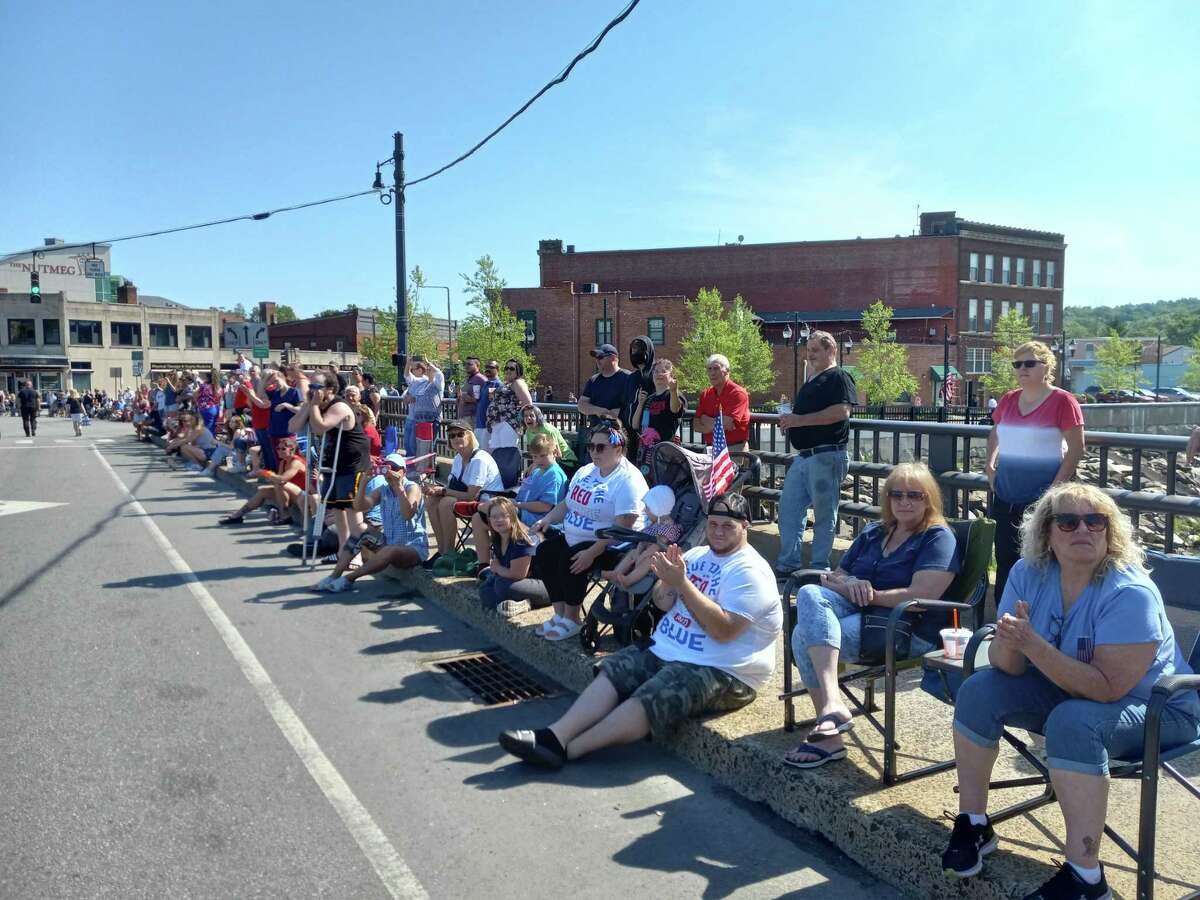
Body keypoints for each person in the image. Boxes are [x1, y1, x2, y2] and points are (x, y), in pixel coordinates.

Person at [941, 482, 1200, 898]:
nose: (1083, 529)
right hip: (1072, 690)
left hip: (1161, 709)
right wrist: (1011, 640)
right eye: (1068, 520)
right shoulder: (1029, 573)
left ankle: (1086, 877)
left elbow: (1106, 689)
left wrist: (1034, 644)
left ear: (1109, 531)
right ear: (1047, 532)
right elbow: (1008, 667)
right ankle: (974, 822)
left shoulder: (1128, 592)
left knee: (1073, 722)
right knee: (979, 689)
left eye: (1095, 521)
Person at [498, 492, 781, 768]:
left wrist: (683, 584)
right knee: (617, 668)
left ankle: (570, 750)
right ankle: (556, 735)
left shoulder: (750, 571)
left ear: (746, 527)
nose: (718, 532)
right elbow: (662, 602)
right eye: (713, 524)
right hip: (671, 647)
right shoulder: (698, 553)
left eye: (727, 526)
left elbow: (723, 631)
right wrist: (669, 582)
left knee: (658, 688)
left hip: (727, 669)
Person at [783, 463, 959, 768]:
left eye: (914, 495)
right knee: (810, 593)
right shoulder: (875, 531)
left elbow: (924, 595)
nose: (904, 501)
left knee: (802, 634)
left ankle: (830, 734)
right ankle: (833, 706)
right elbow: (833, 577)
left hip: (902, 626)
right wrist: (853, 584)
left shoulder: (937, 538)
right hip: (858, 611)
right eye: (897, 494)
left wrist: (872, 595)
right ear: (887, 498)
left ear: (928, 499)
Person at [527, 421, 648, 642]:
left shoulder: (628, 479)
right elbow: (567, 503)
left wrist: (593, 551)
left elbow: (624, 526)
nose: (594, 452)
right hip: (578, 537)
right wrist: (547, 519)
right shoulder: (586, 471)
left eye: (600, 447)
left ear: (618, 449)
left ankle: (573, 619)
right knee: (545, 552)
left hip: (614, 546)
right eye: (591, 446)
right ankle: (560, 614)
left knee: (571, 558)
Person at [984, 340, 1085, 605]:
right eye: (1017, 364)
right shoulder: (1008, 400)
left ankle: (1039, 623)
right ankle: (1002, 622)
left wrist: (1054, 490)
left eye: (1029, 363)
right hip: (1005, 496)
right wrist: (990, 466)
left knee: (1041, 562)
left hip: (1042, 501)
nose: (1022, 369)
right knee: (1005, 559)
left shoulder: (1063, 401)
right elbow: (995, 433)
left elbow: (1076, 449)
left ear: (1046, 366)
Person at [776, 332, 858, 575]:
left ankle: (819, 569)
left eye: (815, 350)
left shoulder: (839, 377)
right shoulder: (813, 378)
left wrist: (798, 420)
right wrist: (791, 419)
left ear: (831, 350)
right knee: (789, 509)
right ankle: (788, 564)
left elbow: (842, 412)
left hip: (827, 454)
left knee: (824, 515)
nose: (810, 354)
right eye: (809, 349)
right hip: (803, 456)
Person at [315, 452, 428, 592]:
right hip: (390, 543)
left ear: (403, 472)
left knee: (389, 550)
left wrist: (399, 489)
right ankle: (334, 575)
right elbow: (359, 506)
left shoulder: (412, 487)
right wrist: (363, 482)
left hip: (413, 548)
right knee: (360, 529)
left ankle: (348, 579)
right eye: (387, 467)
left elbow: (407, 515)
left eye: (395, 468)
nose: (390, 471)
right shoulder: (383, 490)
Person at [291, 372, 371, 550]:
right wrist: (308, 406)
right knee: (337, 510)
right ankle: (344, 551)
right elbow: (293, 426)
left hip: (353, 463)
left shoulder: (339, 406)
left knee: (352, 510)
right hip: (333, 463)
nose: (313, 391)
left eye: (317, 387)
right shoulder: (315, 404)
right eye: (311, 387)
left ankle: (359, 552)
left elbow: (319, 428)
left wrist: (313, 406)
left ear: (330, 389)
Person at [421, 420, 504, 572]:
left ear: (470, 436)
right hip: (471, 499)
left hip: (487, 502)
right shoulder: (459, 458)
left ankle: (449, 553)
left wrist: (443, 491)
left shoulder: (479, 459)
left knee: (446, 502)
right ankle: (442, 550)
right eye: (452, 436)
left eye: (460, 434)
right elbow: (454, 486)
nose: (456, 438)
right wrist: (436, 490)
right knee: (432, 500)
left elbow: (471, 495)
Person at [600, 484, 682, 589]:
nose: (645, 510)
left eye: (648, 508)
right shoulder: (655, 524)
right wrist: (638, 553)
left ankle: (628, 580)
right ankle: (615, 573)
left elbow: (657, 546)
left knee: (650, 560)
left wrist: (641, 557)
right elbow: (642, 539)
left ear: (658, 509)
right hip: (644, 553)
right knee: (633, 552)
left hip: (658, 558)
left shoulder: (670, 528)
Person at [219, 437, 313, 524]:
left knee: (279, 484)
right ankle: (237, 516)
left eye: (283, 449)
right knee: (263, 491)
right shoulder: (283, 462)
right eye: (278, 449)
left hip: (304, 493)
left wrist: (265, 473)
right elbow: (277, 480)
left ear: (292, 450)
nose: (279, 451)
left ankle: (285, 515)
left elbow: (282, 480)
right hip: (290, 492)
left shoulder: (296, 462)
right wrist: (267, 476)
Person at [478, 498, 537, 610]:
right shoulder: (498, 536)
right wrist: (497, 569)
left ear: (512, 516)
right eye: (494, 517)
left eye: (503, 516)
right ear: (489, 520)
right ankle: (515, 603)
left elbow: (518, 574)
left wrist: (497, 568)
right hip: (515, 580)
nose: (498, 520)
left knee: (502, 586)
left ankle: (526, 603)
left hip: (542, 585)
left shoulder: (521, 539)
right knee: (485, 589)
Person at [694, 354, 750, 452]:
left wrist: (706, 420)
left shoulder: (738, 393)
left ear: (727, 371)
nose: (712, 373)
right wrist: (720, 426)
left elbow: (726, 423)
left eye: (716, 368)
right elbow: (696, 425)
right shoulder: (705, 394)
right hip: (710, 449)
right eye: (709, 369)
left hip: (734, 449)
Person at [577, 344, 634, 442]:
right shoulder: (593, 380)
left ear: (613, 358)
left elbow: (636, 404)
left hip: (621, 436)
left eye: (600, 357)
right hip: (596, 436)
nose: (597, 360)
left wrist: (619, 412)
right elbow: (581, 405)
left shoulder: (628, 378)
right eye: (596, 357)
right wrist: (598, 410)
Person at [631, 359, 686, 444]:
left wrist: (673, 391)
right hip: (648, 449)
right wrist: (641, 404)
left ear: (671, 376)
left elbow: (675, 410)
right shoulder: (649, 399)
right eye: (656, 371)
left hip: (666, 450)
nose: (659, 374)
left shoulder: (674, 395)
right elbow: (636, 425)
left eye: (663, 371)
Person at [402, 356, 445, 457]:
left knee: (428, 449)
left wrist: (430, 364)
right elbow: (407, 376)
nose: (428, 370)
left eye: (430, 369)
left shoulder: (437, 384)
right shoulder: (421, 382)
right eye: (428, 368)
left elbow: (440, 375)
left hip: (431, 421)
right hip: (418, 421)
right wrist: (408, 363)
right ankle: (415, 469)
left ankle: (429, 470)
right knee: (413, 446)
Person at [474, 360, 502, 450]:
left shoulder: (495, 384)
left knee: (486, 454)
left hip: (487, 427)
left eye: (491, 367)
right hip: (479, 424)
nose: (487, 369)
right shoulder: (486, 384)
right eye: (486, 367)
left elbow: (493, 404)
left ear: (498, 370)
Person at [459, 357, 487, 424]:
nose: (466, 366)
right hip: (465, 416)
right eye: (465, 364)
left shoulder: (481, 379)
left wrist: (471, 399)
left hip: (474, 417)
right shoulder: (468, 379)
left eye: (469, 364)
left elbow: (487, 398)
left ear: (477, 366)